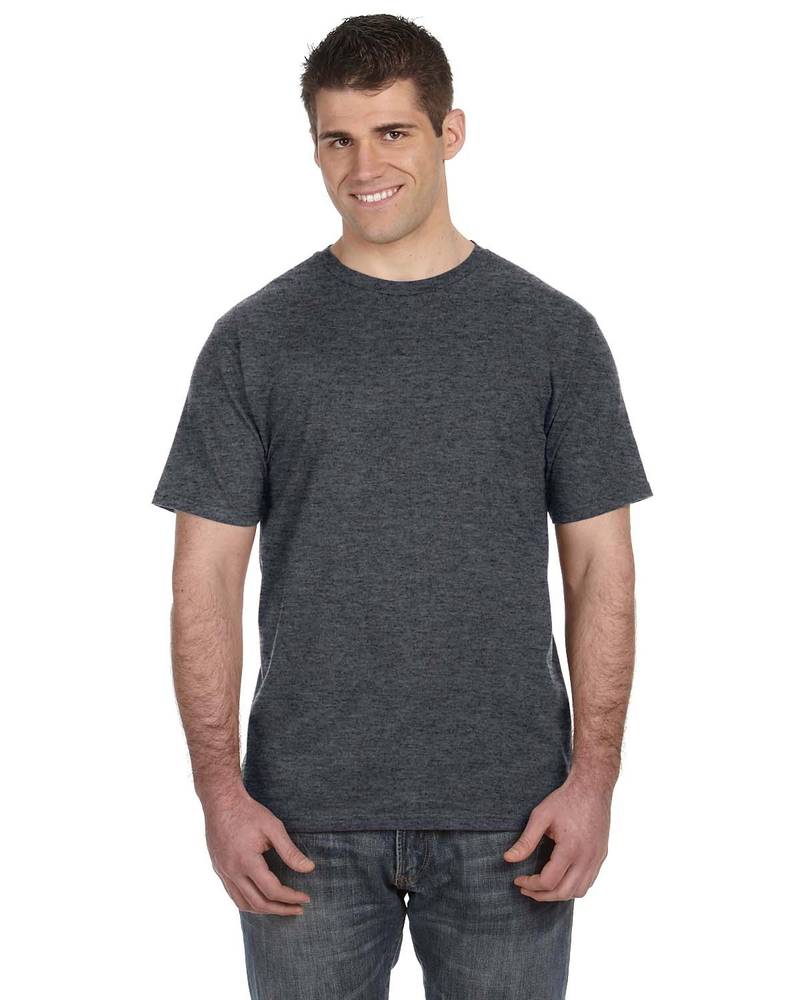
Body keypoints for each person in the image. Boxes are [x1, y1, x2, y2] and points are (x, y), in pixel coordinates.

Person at [151, 13, 653, 1000]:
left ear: (448, 132)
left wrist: (593, 780)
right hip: (301, 822)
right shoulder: (254, 341)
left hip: (513, 817)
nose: (363, 165)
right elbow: (202, 578)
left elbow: (602, 568)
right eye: (336, 139)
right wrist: (219, 792)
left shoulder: (553, 335)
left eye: (392, 132)